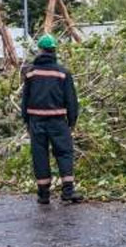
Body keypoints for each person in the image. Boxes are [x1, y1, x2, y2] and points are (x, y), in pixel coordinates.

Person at [21, 34, 83, 204]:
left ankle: (43, 194)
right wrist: (72, 121)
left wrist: (26, 120)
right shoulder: (63, 73)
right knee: (64, 153)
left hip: (36, 121)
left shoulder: (31, 72)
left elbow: (25, 99)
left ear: (40, 50)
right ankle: (68, 191)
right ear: (54, 50)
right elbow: (71, 100)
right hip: (57, 122)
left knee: (39, 155)